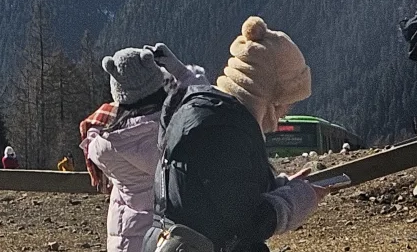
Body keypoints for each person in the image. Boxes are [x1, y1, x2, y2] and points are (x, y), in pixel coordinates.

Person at [148, 18, 329, 251]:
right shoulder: (225, 131)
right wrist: (298, 200)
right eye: (286, 103)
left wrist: (279, 186)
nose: (285, 113)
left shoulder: (211, 115)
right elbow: (246, 222)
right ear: (268, 97)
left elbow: (216, 197)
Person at [82, 46, 172, 252]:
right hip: (167, 236)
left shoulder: (106, 144)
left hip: (125, 237)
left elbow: (91, 141)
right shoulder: (172, 133)